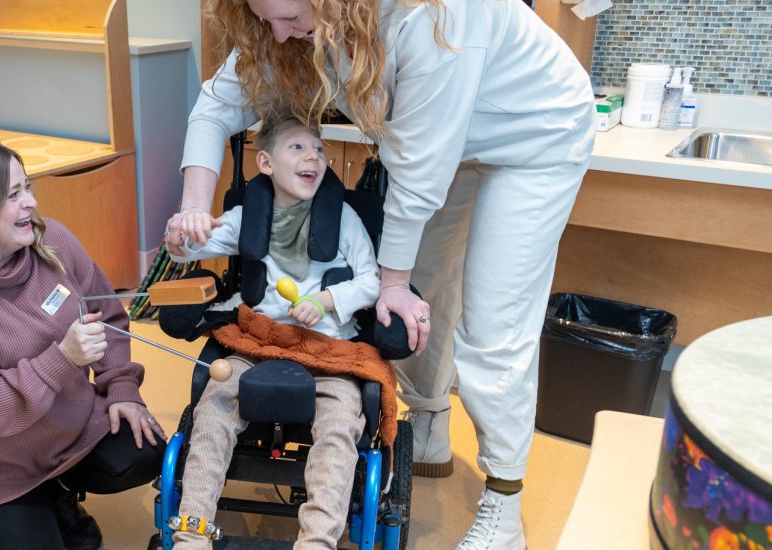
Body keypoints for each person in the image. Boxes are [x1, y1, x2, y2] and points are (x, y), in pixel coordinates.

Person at [166, 1, 596, 548]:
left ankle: (504, 506)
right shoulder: (291, 23)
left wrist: (391, 284)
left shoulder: (435, 18)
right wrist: (193, 213)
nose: (277, 32)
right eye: (264, 16)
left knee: (493, 320)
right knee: (431, 283)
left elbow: (416, 178)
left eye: (291, 15)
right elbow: (217, 105)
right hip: (443, 142)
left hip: (533, 134)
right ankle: (433, 421)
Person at [0, 137, 167, 550]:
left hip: (65, 429)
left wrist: (121, 388)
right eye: (13, 195)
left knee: (145, 449)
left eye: (28, 188)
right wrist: (62, 359)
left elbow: (106, 316)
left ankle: (56, 493)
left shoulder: (50, 240)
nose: (31, 204)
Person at [165, 110, 382, 548]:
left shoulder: (344, 220)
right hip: (258, 344)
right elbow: (193, 247)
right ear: (265, 163)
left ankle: (317, 541)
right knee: (212, 411)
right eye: (298, 147)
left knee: (340, 428)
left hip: (328, 352)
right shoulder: (249, 217)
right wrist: (182, 233)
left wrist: (325, 301)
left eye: (319, 150)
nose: (314, 157)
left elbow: (372, 282)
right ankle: (192, 536)